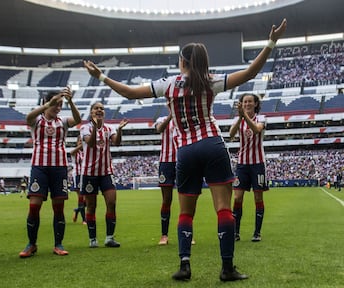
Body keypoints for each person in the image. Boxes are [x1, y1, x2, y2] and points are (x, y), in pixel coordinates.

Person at [83, 18, 287, 282]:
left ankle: (185, 265)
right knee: (223, 208)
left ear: (183, 61)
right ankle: (227, 268)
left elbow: (130, 93)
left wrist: (100, 75)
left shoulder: (169, 84)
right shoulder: (210, 81)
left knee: (185, 211)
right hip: (212, 145)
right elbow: (249, 74)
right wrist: (271, 41)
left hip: (186, 150)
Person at [19, 87, 81, 258]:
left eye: (60, 105)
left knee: (58, 208)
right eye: (56, 104)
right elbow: (28, 117)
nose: (58, 108)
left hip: (59, 168)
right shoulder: (37, 121)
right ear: (47, 103)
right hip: (39, 167)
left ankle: (58, 244)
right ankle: (31, 244)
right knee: (34, 206)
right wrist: (48, 103)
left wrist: (70, 101)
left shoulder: (63, 122)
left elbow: (78, 119)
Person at [80, 101, 128, 248]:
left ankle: (109, 238)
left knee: (112, 203)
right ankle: (93, 239)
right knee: (91, 206)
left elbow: (117, 143)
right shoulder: (84, 128)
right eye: (96, 108)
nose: (99, 110)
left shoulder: (109, 128)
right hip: (89, 173)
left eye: (102, 108)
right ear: (91, 112)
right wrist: (95, 127)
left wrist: (119, 130)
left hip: (106, 172)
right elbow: (92, 143)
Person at [229, 93, 269, 242]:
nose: (247, 104)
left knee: (258, 197)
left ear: (256, 104)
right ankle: (235, 232)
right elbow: (231, 135)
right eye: (244, 102)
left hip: (258, 164)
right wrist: (240, 117)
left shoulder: (262, 118)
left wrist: (244, 116)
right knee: (238, 197)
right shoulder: (237, 119)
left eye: (250, 101)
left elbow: (257, 130)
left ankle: (257, 232)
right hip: (242, 164)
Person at [155, 113, 178, 245]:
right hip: (166, 162)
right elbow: (159, 129)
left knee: (185, 199)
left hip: (183, 160)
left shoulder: (184, 116)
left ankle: (187, 233)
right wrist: (170, 116)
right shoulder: (161, 119)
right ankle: (164, 235)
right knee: (166, 199)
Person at [70, 135, 86, 224]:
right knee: (81, 197)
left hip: (86, 175)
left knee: (87, 200)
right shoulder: (76, 152)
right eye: (79, 140)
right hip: (78, 175)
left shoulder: (86, 152)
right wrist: (82, 145)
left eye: (82, 140)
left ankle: (77, 210)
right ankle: (84, 220)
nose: (80, 141)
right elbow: (71, 152)